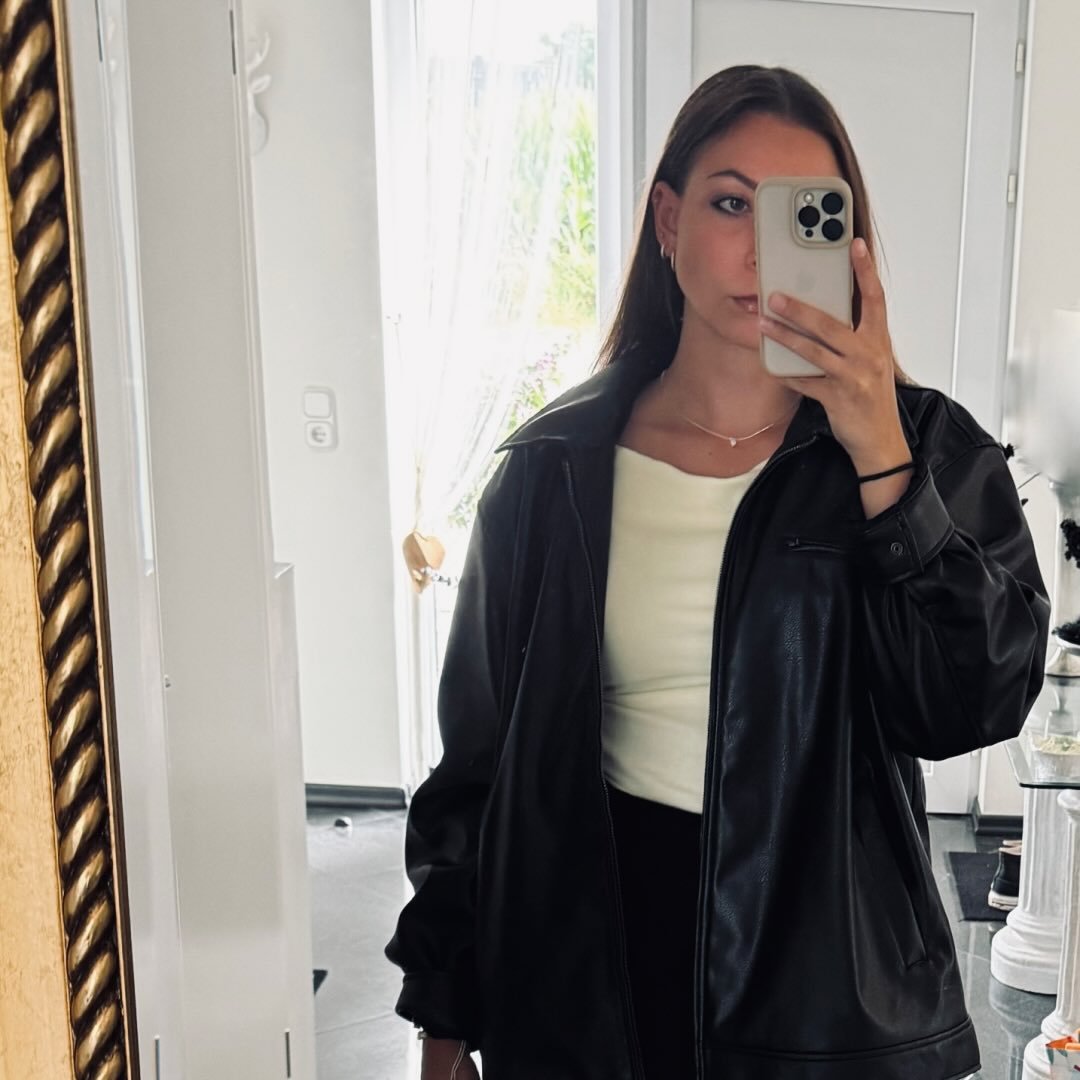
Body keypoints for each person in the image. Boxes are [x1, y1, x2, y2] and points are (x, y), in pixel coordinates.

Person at [385, 64, 1050, 1080]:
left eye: (802, 214)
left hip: (823, 989)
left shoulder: (927, 450)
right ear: (668, 221)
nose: (761, 248)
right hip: (582, 967)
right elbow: (475, 761)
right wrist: (442, 1019)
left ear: (847, 242)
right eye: (731, 203)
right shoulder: (553, 470)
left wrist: (879, 454)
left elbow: (974, 703)